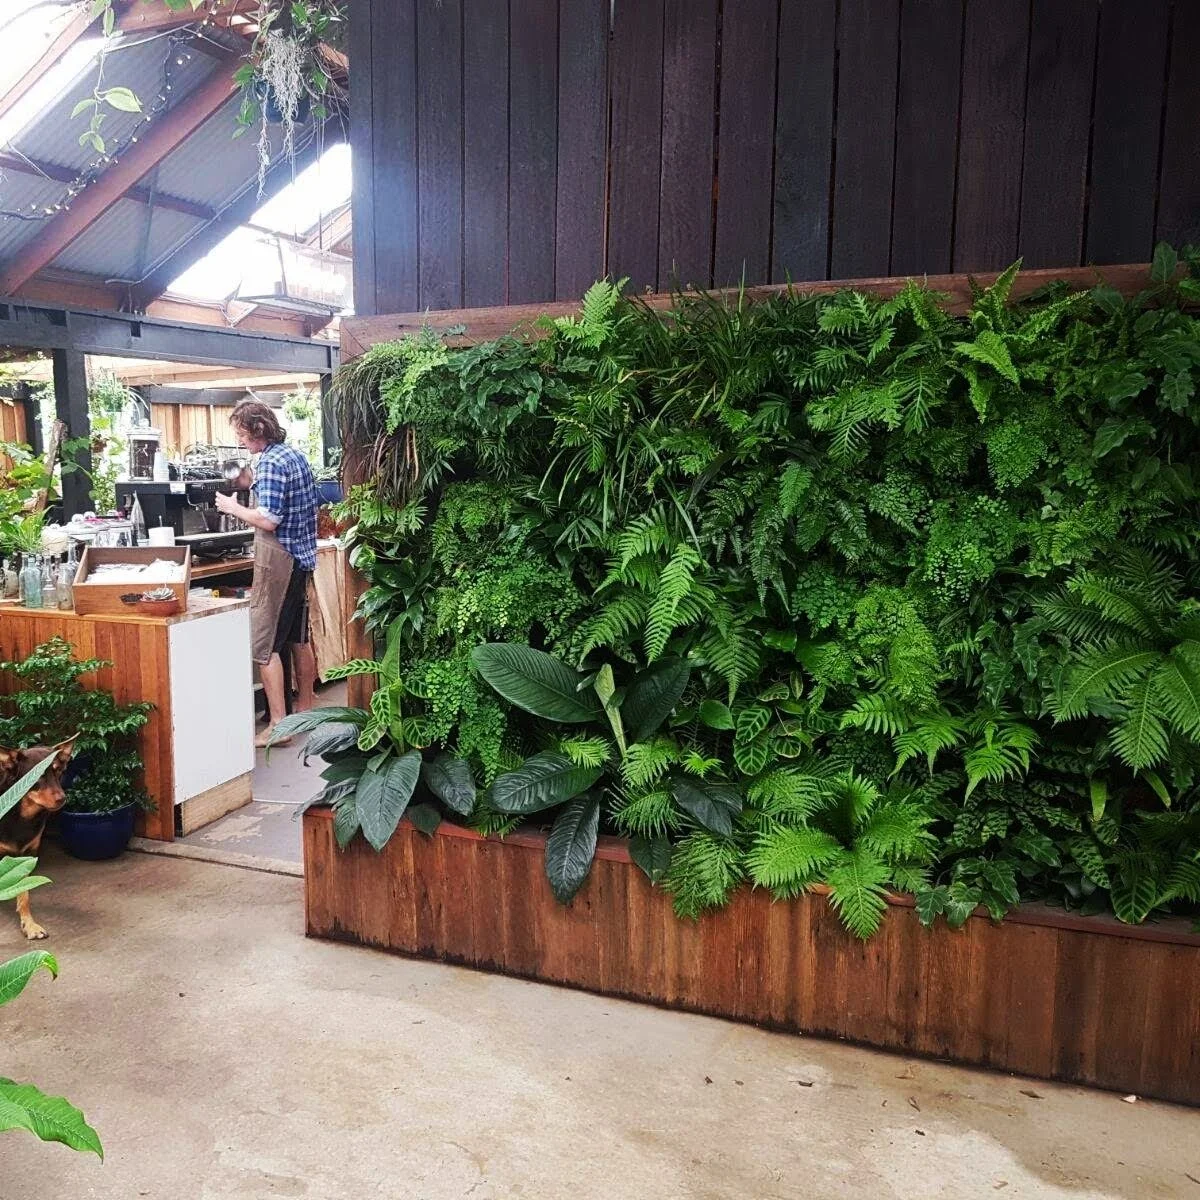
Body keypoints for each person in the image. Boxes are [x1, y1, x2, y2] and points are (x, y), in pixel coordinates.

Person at [213, 400, 319, 747]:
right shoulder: (293, 455)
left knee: (265, 644)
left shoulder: (271, 462)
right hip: (301, 559)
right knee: (298, 638)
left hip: (280, 562)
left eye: (242, 434)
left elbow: (269, 520)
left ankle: (278, 726)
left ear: (258, 429)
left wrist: (233, 507)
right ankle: (306, 710)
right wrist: (250, 485)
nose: (240, 441)